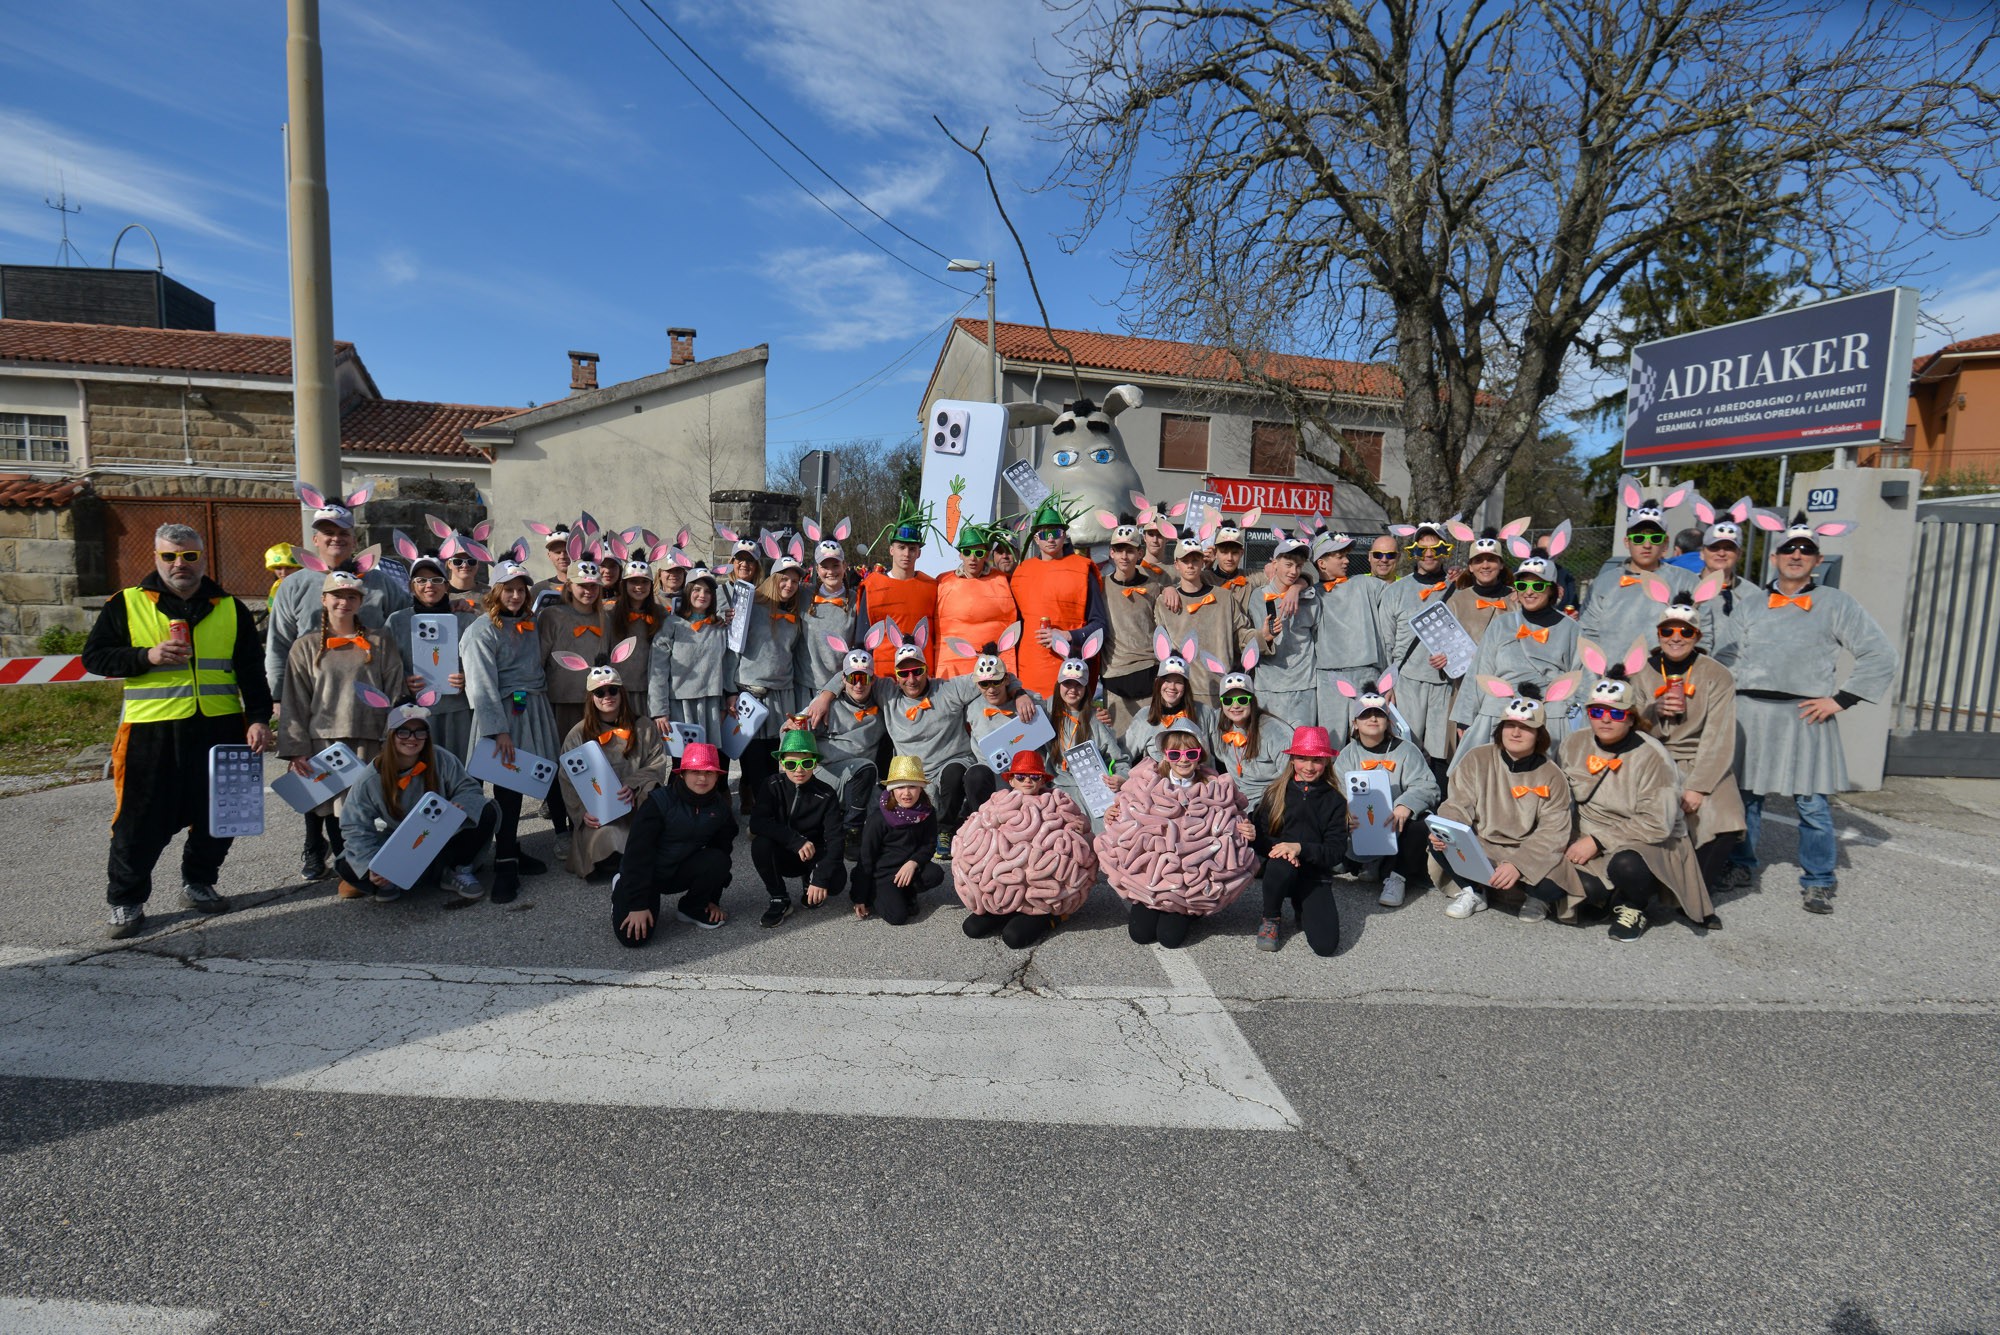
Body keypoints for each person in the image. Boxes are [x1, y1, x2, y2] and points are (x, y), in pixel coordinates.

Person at [83, 524, 274, 938]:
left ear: (203, 558)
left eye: (189, 556)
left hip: (222, 726)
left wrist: (259, 718)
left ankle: (199, 881)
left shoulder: (231, 607)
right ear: (156, 558)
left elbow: (251, 671)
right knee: (140, 820)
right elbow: (95, 658)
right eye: (169, 556)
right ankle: (126, 901)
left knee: (221, 814)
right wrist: (146, 656)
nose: (179, 564)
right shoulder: (126, 603)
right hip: (152, 730)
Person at [1728, 512, 1897, 915]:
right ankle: (1739, 865)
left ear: (1818, 560)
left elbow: (1880, 653)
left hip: (1805, 715)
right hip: (1750, 715)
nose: (1796, 555)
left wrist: (1841, 700)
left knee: (1813, 805)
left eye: (1806, 549)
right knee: (1745, 799)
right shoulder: (1750, 605)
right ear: (1774, 557)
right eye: (1789, 548)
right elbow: (1726, 657)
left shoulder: (1837, 604)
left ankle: (1818, 879)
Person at [803, 632, 1034, 861]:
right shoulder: (887, 692)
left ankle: (948, 831)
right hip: (914, 775)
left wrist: (1020, 693)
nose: (911, 679)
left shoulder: (948, 689)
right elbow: (854, 671)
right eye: (904, 673)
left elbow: (992, 672)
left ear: (926, 670)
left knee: (955, 773)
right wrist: (825, 696)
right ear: (896, 675)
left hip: (952, 765)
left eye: (917, 671)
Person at [1557, 643, 1715, 940]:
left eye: (1616, 714)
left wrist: (1598, 841)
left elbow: (1657, 824)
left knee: (1626, 866)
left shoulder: (1652, 756)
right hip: (1590, 832)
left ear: (1631, 717)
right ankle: (1607, 897)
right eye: (1597, 711)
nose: (1605, 719)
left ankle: (1635, 905)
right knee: (1580, 889)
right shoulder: (1574, 743)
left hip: (1648, 840)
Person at [280, 571, 408, 891]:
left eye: (352, 596)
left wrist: (396, 735)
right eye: (337, 596)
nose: (344, 602)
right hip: (324, 739)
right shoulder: (305, 646)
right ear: (324, 600)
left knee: (366, 807)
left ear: (361, 602)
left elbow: (395, 689)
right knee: (330, 809)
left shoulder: (379, 641)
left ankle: (373, 866)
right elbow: (295, 699)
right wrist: (296, 747)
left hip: (370, 737)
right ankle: (347, 869)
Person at [1429, 682, 1578, 921]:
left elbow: (1553, 832)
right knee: (1441, 845)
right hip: (1484, 842)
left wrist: (1519, 864)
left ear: (1539, 734)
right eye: (1510, 725)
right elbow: (1457, 804)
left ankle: (1535, 898)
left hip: (1527, 848)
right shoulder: (1477, 758)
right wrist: (1446, 830)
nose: (1516, 733)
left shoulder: (1552, 775)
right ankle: (1475, 891)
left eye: (1525, 727)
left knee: (1553, 886)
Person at [1096, 728, 1256, 949]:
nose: (1183, 760)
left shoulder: (1214, 787)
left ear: (1199, 756)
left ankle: (1189, 909)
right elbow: (1123, 804)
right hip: (1151, 877)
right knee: (1140, 934)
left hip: (1188, 882)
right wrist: (1111, 812)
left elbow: (1236, 816)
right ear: (1165, 755)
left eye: (1190, 754)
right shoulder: (1147, 782)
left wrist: (1247, 829)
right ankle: (1153, 898)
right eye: (1175, 754)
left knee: (1169, 939)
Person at [1634, 584, 1746, 898]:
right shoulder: (1641, 671)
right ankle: (1654, 888)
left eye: (1685, 631)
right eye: (1667, 630)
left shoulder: (1717, 674)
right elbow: (1630, 728)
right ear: (1658, 634)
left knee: (1726, 817)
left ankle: (1697, 894)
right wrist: (1654, 711)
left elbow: (1719, 734)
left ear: (1697, 636)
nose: (1676, 637)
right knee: (1652, 821)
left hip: (1702, 758)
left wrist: (1698, 786)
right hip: (1654, 758)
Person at [460, 554, 559, 902]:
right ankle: (504, 863)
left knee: (527, 780)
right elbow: (481, 685)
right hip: (504, 713)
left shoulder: (529, 624)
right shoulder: (481, 630)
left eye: (520, 590)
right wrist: (498, 730)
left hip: (531, 708)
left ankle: (511, 849)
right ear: (495, 592)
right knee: (507, 787)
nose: (515, 596)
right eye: (508, 589)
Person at [337, 696, 496, 902]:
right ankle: (390, 878)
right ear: (391, 735)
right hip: (399, 842)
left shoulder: (441, 758)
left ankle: (455, 870)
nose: (412, 738)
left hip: (440, 837)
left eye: (420, 732)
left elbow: (469, 788)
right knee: (347, 866)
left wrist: (461, 805)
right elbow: (354, 824)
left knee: (486, 810)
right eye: (403, 731)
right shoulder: (372, 777)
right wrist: (371, 864)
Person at [265, 485, 409, 703]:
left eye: (343, 533)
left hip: (371, 694)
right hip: (312, 696)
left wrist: (450, 605)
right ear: (315, 539)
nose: (336, 538)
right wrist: (277, 697)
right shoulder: (293, 585)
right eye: (328, 533)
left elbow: (409, 624)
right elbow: (279, 643)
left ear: (354, 540)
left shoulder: (381, 582)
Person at [1448, 549, 1581, 772]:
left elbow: (1581, 678)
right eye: (1522, 585)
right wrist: (1465, 718)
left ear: (1552, 589)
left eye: (1538, 586)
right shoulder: (1501, 624)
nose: (1529, 592)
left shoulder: (1571, 628)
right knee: (1483, 776)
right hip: (1499, 711)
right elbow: (1480, 671)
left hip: (1547, 714)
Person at [956, 750, 1097, 950]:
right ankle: (1005, 908)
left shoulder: (1058, 804)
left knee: (1013, 938)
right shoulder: (995, 804)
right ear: (1011, 780)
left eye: (1034, 776)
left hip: (1040, 897)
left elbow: (1082, 830)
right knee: (972, 928)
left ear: (1043, 780)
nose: (1028, 781)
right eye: (1021, 776)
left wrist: (1081, 828)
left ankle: (1053, 917)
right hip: (1001, 890)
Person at [555, 653, 669, 879]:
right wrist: (582, 812)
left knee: (651, 795)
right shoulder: (578, 734)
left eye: (612, 690)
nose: (607, 696)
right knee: (605, 844)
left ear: (621, 693)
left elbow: (656, 763)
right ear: (591, 697)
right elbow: (567, 778)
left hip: (635, 806)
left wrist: (633, 784)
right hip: (602, 814)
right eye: (599, 692)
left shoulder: (643, 726)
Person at [1331, 676, 1441, 907]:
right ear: (1355, 723)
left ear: (1388, 720)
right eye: (1366, 714)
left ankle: (1397, 877)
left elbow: (1428, 786)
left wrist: (1405, 805)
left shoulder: (1407, 750)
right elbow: (1336, 790)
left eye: (1379, 714)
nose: (1373, 718)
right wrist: (1345, 813)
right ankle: (1358, 861)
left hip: (1396, 826)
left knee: (1421, 823)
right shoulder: (1347, 754)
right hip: (1360, 828)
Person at [612, 742, 736, 945]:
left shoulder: (720, 808)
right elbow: (637, 854)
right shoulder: (658, 802)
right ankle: (621, 886)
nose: (702, 778)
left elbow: (722, 851)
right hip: (647, 873)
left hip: (679, 870)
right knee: (632, 939)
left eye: (709, 772)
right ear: (682, 774)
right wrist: (637, 904)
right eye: (695, 772)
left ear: (717, 776)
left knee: (718, 859)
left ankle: (692, 908)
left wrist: (712, 899)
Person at [1578, 478, 1710, 656]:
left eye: (1655, 539)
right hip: (1611, 671)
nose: (1647, 545)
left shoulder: (1686, 581)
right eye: (1639, 538)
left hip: (1665, 672)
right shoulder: (1604, 583)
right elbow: (1588, 633)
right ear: (1627, 542)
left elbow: (1703, 631)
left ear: (1665, 543)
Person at [1250, 726, 1349, 955]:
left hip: (1314, 875)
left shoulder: (1335, 801)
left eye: (1317, 760)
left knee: (1325, 946)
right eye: (1302, 759)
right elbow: (1261, 839)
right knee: (1280, 865)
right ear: (1292, 759)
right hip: (1281, 869)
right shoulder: (1275, 792)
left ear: (1326, 762)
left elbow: (1336, 851)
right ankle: (1271, 917)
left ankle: (1301, 905)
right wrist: (1276, 847)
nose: (1309, 767)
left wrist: (1300, 849)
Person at [537, 550, 611, 844]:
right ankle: (561, 830)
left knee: (591, 766)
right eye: (582, 585)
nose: (588, 591)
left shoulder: (605, 617)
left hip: (593, 703)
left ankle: (587, 823)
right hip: (560, 702)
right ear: (569, 585)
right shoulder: (552, 616)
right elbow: (539, 659)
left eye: (593, 586)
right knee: (560, 766)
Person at [1376, 519, 1462, 767]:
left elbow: (1468, 637)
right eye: (1422, 549)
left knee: (1441, 754)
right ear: (1413, 552)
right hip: (1406, 683)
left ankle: (1438, 793)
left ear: (1445, 550)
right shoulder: (1396, 591)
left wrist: (1453, 658)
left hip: (1445, 684)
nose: (1428, 554)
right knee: (1405, 749)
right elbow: (1386, 643)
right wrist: (1387, 685)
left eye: (1436, 548)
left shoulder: (1459, 588)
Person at [1010, 496, 1108, 699]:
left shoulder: (1082, 570)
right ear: (1036, 538)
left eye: (1056, 533)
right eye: (1044, 534)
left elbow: (1100, 625)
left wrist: (1068, 635)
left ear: (1064, 536)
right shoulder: (1021, 572)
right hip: (1030, 670)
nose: (1050, 539)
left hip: (1070, 670)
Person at [749, 729, 847, 927]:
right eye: (791, 764)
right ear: (782, 763)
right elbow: (757, 822)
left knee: (836, 881)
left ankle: (809, 881)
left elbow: (836, 839)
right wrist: (795, 840)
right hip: (784, 852)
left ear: (815, 763)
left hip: (813, 854)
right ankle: (779, 897)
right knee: (760, 844)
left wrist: (820, 878)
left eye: (806, 763)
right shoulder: (771, 784)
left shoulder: (826, 793)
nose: (799, 770)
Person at [385, 552, 476, 762]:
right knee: (420, 769)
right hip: (414, 714)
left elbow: (481, 663)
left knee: (459, 767)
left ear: (446, 586)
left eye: (436, 580)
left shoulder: (466, 620)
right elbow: (386, 666)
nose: (429, 586)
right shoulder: (396, 621)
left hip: (458, 711)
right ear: (411, 586)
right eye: (421, 580)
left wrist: (467, 678)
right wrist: (404, 682)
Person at [1040, 636, 1128, 830]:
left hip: (1093, 793)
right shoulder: (1045, 712)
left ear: (1086, 688)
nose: (1072, 690)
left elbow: (1120, 761)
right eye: (1067, 683)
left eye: (1078, 684)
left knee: (1101, 836)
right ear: (1059, 684)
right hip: (1055, 791)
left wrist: (1121, 777)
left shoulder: (1095, 721)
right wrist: (1019, 695)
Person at [647, 568, 738, 750]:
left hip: (712, 706)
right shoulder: (671, 624)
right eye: (697, 589)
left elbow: (726, 665)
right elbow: (658, 671)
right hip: (680, 706)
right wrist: (659, 711)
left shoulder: (719, 627)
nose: (702, 595)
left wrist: (730, 694)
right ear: (688, 592)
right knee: (685, 761)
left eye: (707, 591)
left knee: (711, 758)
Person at [1154, 537, 1250, 706]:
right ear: (1176, 564)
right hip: (1182, 690)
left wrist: (1264, 637)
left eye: (1195, 560)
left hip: (1220, 687)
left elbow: (1242, 633)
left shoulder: (1224, 597)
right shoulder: (1164, 603)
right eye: (1185, 561)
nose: (1190, 566)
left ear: (1202, 562)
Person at [1312, 532, 1387, 747]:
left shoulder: (1365, 583)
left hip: (1366, 674)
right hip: (1329, 677)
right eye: (1339, 556)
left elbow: (1398, 596)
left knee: (1371, 738)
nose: (1346, 561)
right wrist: (1299, 585)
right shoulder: (1312, 594)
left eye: (1346, 555)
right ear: (1322, 563)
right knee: (1332, 741)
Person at [851, 756, 945, 925]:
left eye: (912, 786)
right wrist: (860, 897)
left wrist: (913, 862)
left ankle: (907, 892)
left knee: (935, 874)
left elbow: (929, 844)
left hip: (907, 866)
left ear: (921, 789)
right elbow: (866, 858)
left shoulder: (927, 813)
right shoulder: (878, 819)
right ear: (892, 790)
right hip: (883, 873)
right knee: (897, 917)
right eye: (900, 787)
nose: (906, 793)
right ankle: (875, 892)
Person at [814, 642, 888, 855]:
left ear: (872, 679)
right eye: (853, 678)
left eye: (864, 678)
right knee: (865, 769)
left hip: (863, 780)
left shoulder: (882, 706)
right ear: (843, 679)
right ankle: (851, 831)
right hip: (828, 773)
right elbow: (793, 729)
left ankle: (845, 818)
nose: (858, 684)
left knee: (886, 819)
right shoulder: (827, 705)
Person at [858, 498, 939, 676]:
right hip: (883, 676)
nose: (906, 554)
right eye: (901, 547)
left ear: (919, 553)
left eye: (912, 549)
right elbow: (862, 638)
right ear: (891, 550)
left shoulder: (931, 587)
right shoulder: (872, 586)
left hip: (920, 675)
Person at [1247, 532, 1319, 728]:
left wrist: (1297, 588)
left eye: (1299, 566)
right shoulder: (1256, 597)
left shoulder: (1311, 598)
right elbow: (1246, 638)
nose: (1293, 571)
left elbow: (1317, 638)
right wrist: (1264, 637)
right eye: (1288, 564)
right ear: (1274, 564)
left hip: (1303, 686)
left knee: (1302, 742)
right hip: (1268, 686)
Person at [934, 521, 1020, 680]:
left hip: (991, 669)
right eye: (967, 552)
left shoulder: (1003, 581)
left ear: (986, 555)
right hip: (953, 668)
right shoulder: (943, 582)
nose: (972, 558)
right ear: (960, 554)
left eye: (978, 553)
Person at [1096, 519, 1159, 731]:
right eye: (1119, 550)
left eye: (1130, 550)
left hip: (1149, 674)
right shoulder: (1101, 586)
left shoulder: (1154, 587)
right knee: (1118, 744)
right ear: (1111, 553)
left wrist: (1169, 589)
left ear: (1140, 553)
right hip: (1115, 678)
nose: (1124, 556)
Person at [1211, 656, 1292, 807]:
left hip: (1270, 801)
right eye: (1228, 701)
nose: (1235, 706)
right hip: (1236, 801)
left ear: (1252, 701)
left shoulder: (1274, 732)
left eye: (1242, 700)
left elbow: (1291, 777)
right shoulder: (1219, 726)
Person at [1122, 635, 1215, 763]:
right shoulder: (1144, 716)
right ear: (1158, 683)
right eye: (1167, 680)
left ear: (1185, 686)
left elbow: (1223, 749)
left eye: (1178, 682)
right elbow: (1123, 753)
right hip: (1161, 776)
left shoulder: (1204, 712)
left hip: (1198, 775)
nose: (1172, 687)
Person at [1691, 496, 1754, 668]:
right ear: (1702, 553)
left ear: (1739, 554)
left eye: (1729, 548)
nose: (1721, 553)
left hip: (1736, 676)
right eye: (1714, 547)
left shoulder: (1753, 595)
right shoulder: (1685, 587)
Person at [799, 525, 858, 692]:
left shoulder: (856, 599)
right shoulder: (803, 595)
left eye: (835, 565)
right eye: (825, 566)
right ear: (817, 569)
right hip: (805, 686)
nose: (831, 571)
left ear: (844, 566)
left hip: (840, 688)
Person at [611, 558, 668, 716]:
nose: (639, 586)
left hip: (648, 689)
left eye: (644, 582)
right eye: (633, 581)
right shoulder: (611, 614)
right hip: (618, 689)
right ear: (624, 584)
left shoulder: (661, 614)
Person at [527, 522, 573, 608]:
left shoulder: (588, 588)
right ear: (549, 556)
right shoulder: (539, 589)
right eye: (557, 552)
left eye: (566, 552)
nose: (562, 556)